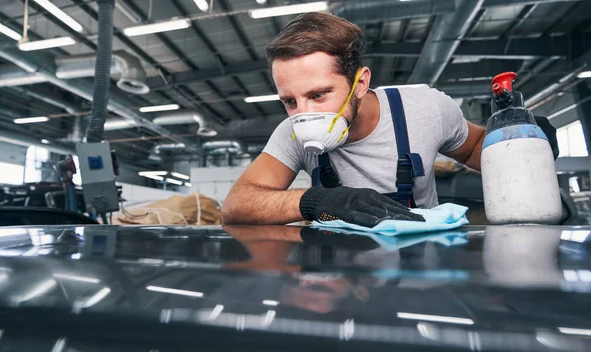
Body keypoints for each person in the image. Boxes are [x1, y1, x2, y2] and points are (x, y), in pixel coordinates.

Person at [221, 12, 557, 227]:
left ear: (361, 83)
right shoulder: (291, 135)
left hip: (420, 265)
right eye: (290, 101)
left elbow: (473, 149)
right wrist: (313, 201)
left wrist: (518, 142)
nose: (303, 114)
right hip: (338, 270)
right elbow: (237, 204)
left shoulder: (425, 108)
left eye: (319, 94)